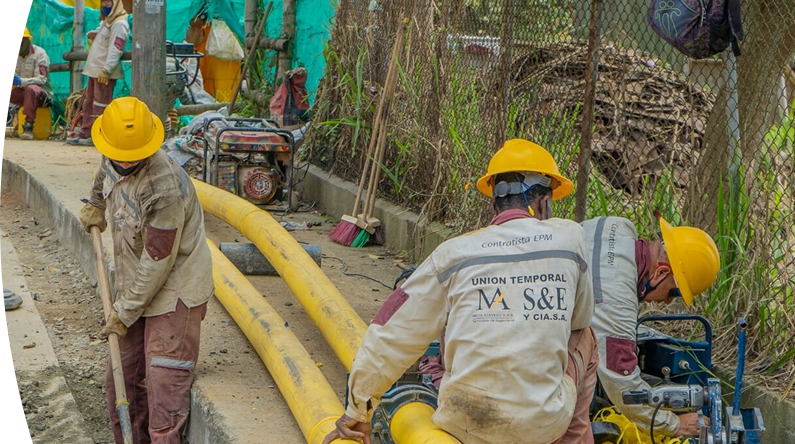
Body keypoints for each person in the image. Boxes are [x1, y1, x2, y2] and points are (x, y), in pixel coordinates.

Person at [323, 139, 597, 444]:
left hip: (464, 420)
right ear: (545, 200)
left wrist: (358, 410)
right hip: (543, 426)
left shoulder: (454, 253)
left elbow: (392, 329)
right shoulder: (571, 238)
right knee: (586, 335)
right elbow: (580, 317)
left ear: (494, 202)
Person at [78, 97, 214, 444]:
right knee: (120, 379)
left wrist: (123, 312)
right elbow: (104, 173)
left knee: (163, 386)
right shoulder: (114, 152)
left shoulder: (162, 187)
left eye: (131, 155)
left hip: (174, 289)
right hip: (134, 286)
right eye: (117, 153)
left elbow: (158, 261)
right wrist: (95, 204)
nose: (123, 161)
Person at [582, 216, 720, 438]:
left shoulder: (617, 225)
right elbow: (625, 389)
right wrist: (676, 425)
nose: (667, 302)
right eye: (674, 293)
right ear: (661, 272)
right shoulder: (615, 301)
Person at [68, 0, 129, 146]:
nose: (105, 5)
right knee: (89, 102)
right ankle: (86, 132)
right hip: (95, 70)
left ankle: (99, 134)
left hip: (103, 72)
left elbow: (116, 48)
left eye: (109, 2)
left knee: (100, 104)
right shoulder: (107, 22)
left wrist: (107, 69)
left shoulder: (120, 24)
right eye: (103, 2)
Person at [11, 27, 52, 141]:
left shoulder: (40, 54)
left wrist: (22, 81)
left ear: (27, 40)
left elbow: (42, 79)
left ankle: (28, 125)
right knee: (27, 90)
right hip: (22, 93)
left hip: (41, 94)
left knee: (31, 89)